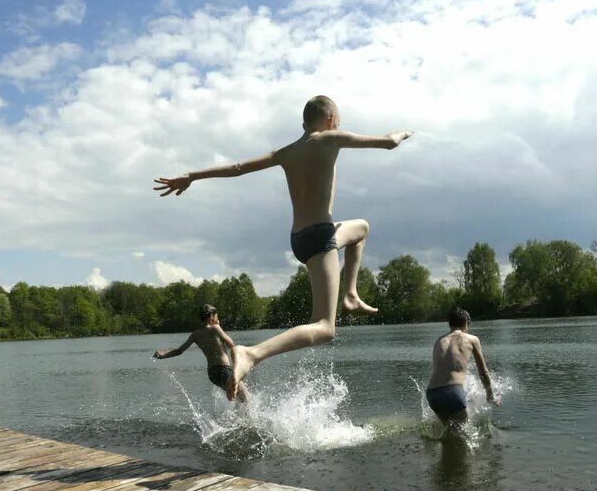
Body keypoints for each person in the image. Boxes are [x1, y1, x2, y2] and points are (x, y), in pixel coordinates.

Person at [154, 95, 412, 400]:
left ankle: (351, 294)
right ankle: (253, 354)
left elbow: (237, 168)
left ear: (304, 123)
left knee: (361, 228)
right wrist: (402, 133)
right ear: (331, 120)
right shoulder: (331, 138)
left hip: (299, 239)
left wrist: (192, 176)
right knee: (325, 328)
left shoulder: (286, 152)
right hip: (320, 236)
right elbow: (388, 142)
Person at [153, 304, 249, 403]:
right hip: (224, 369)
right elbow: (231, 345)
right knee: (245, 396)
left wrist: (163, 355)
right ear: (211, 316)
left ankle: (235, 418)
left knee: (238, 396)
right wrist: (219, 326)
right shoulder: (215, 328)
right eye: (217, 316)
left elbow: (179, 351)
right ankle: (247, 418)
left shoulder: (195, 334)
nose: (217, 319)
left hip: (212, 374)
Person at [426, 307, 496, 427]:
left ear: (450, 324)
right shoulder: (472, 339)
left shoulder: (439, 340)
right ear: (466, 323)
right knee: (466, 433)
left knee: (449, 432)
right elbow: (483, 371)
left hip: (432, 393)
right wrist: (490, 394)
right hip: (452, 392)